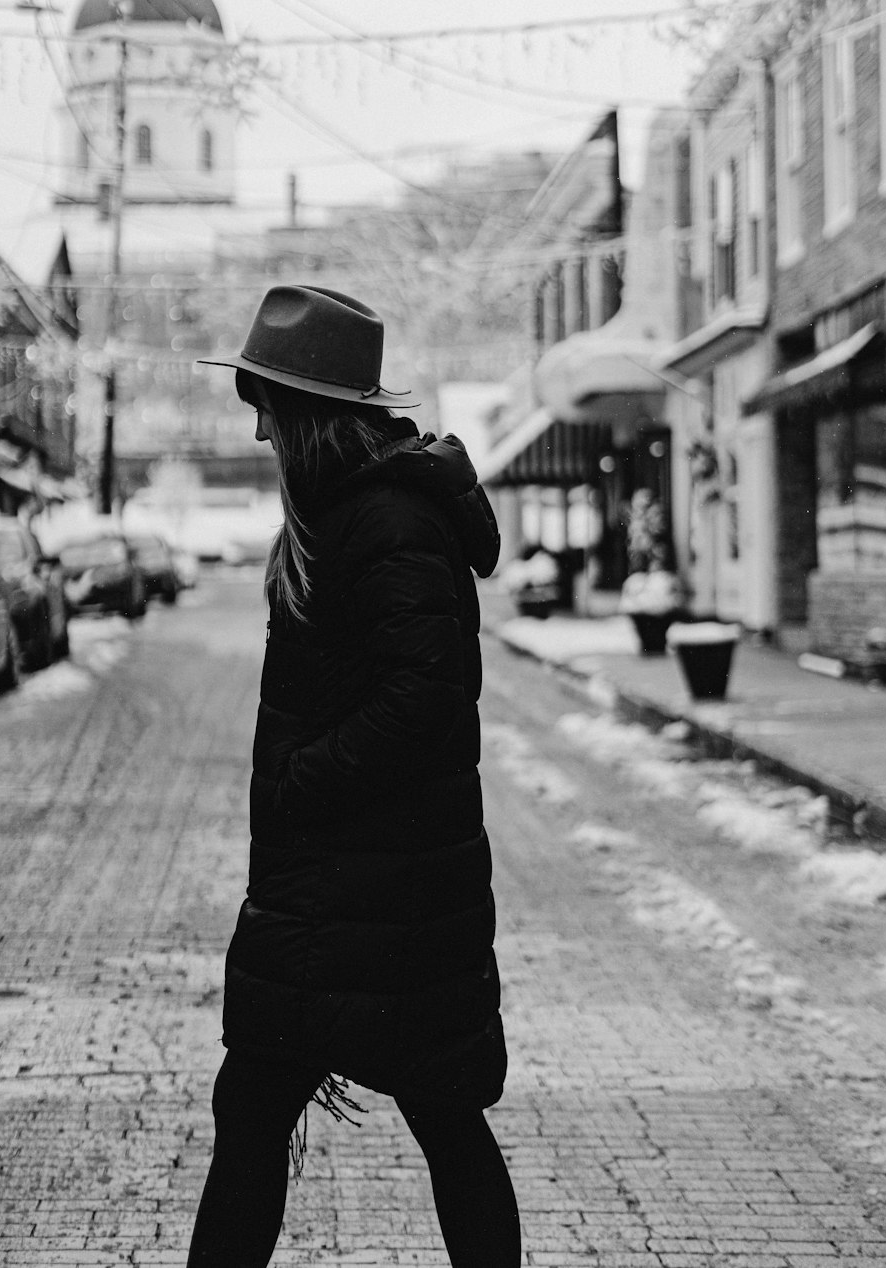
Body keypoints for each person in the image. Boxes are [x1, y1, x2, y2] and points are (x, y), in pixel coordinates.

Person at [188, 285, 520, 1268]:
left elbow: (423, 696)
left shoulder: (385, 521)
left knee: (298, 1107)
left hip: (378, 892)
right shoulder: (356, 513)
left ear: (309, 416)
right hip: (364, 892)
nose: (257, 432)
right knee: (420, 1114)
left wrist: (302, 781)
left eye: (266, 407)